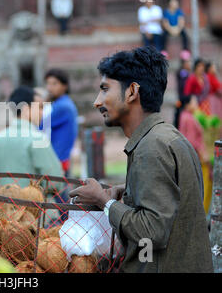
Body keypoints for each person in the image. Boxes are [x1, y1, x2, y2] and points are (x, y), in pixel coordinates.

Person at [69, 46, 213, 272]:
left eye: (105, 90)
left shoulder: (152, 147)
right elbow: (172, 199)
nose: (97, 102)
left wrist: (103, 201)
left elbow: (152, 231)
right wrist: (128, 191)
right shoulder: (166, 137)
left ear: (132, 91)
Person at [0, 86, 63, 188]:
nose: (42, 112)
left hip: (1, 203)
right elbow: (55, 183)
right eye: (40, 107)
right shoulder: (37, 139)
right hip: (34, 203)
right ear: (26, 109)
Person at [40, 69, 78, 176]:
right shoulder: (62, 103)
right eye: (48, 84)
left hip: (57, 160)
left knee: (58, 192)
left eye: (54, 84)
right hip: (61, 159)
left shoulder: (62, 107)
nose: (49, 88)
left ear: (64, 86)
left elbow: (39, 126)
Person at [178, 95, 212, 214]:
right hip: (199, 158)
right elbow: (193, 141)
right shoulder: (190, 119)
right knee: (204, 186)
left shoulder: (183, 116)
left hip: (189, 157)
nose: (196, 103)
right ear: (188, 105)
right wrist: (205, 156)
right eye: (194, 101)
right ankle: (201, 214)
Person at [173, 50, 192, 128]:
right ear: (184, 63)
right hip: (183, 99)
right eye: (188, 62)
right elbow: (184, 86)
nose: (190, 64)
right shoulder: (183, 73)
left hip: (182, 98)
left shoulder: (184, 72)